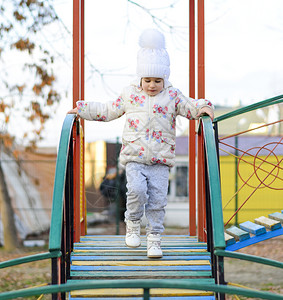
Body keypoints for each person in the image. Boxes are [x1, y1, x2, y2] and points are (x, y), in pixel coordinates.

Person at [68, 28, 214, 258]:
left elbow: (190, 106)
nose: (152, 85)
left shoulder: (172, 96)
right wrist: (83, 109)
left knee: (157, 200)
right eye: (147, 80)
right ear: (140, 78)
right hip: (135, 157)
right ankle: (133, 223)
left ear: (164, 78)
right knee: (136, 190)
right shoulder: (130, 95)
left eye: (158, 80)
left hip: (160, 160)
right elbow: (108, 110)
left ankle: (154, 239)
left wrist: (203, 107)